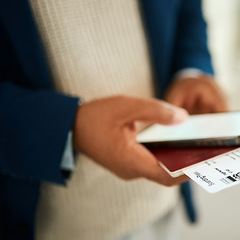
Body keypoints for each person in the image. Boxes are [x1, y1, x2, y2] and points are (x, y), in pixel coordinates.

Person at [0, 0, 227, 239]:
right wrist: (71, 126)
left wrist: (192, 70)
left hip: (161, 204)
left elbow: (187, 9)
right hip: (53, 221)